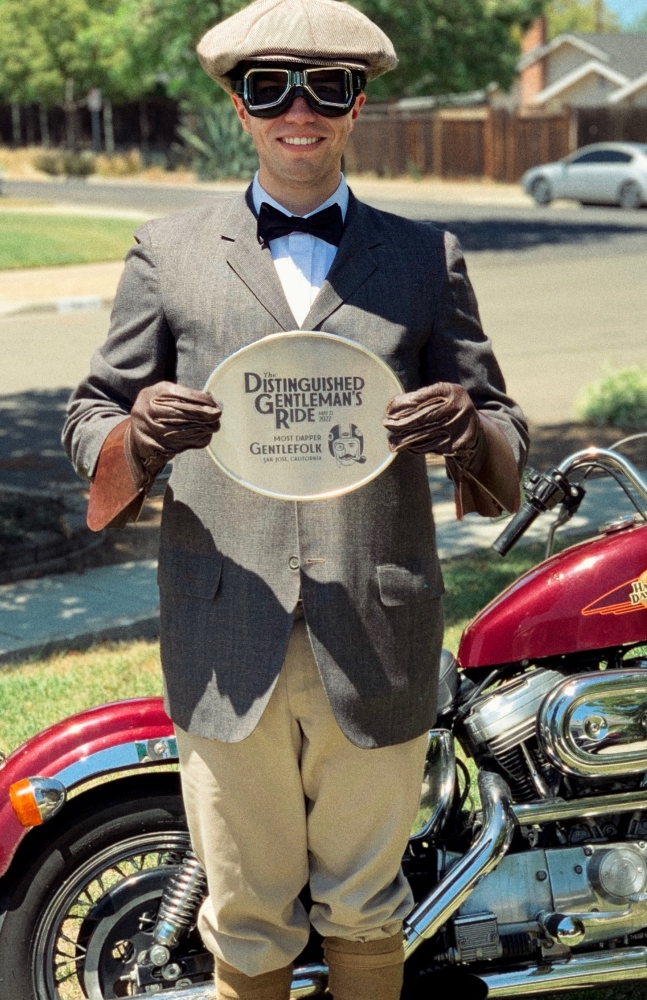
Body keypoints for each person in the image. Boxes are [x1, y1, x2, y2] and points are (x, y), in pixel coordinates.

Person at [61, 1, 528, 997]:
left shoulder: (424, 258)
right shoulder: (169, 250)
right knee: (246, 910)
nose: (299, 111)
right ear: (239, 106)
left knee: (367, 903)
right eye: (270, 88)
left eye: (329, 87)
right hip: (226, 628)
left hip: (376, 626)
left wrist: (468, 431)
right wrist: (136, 435)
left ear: (358, 105)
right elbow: (90, 416)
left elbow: (502, 435)